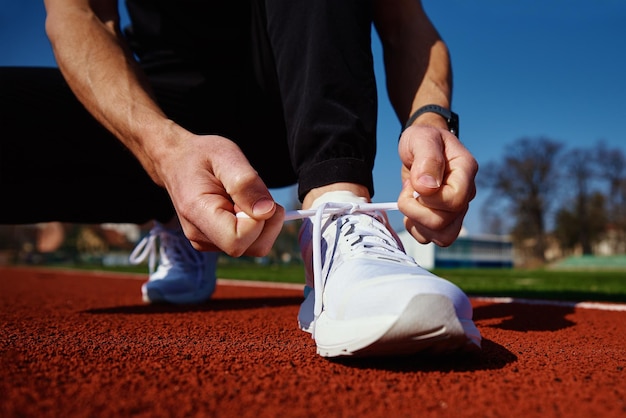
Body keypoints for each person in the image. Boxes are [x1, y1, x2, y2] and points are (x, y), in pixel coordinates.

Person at [0, 0, 481, 357]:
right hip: (166, 112)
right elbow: (78, 17)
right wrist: (165, 150)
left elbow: (404, 23)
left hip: (294, 105)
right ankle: (179, 209)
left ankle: (334, 211)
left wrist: (431, 123)